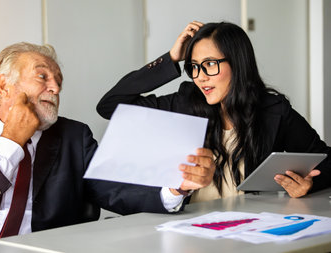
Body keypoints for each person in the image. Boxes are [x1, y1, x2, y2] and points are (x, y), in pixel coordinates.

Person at [0, 42, 216, 251]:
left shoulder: (73, 137)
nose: (55, 88)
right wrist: (11, 141)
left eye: (58, 81)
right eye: (43, 76)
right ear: (5, 86)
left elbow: (115, 191)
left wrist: (176, 188)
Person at [97, 21, 331, 202]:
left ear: (238, 64)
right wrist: (171, 59)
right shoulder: (185, 103)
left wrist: (309, 184)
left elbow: (327, 160)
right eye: (195, 67)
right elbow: (110, 106)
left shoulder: (272, 110)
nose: (200, 77)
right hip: (192, 227)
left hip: (252, 227)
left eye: (209, 64)